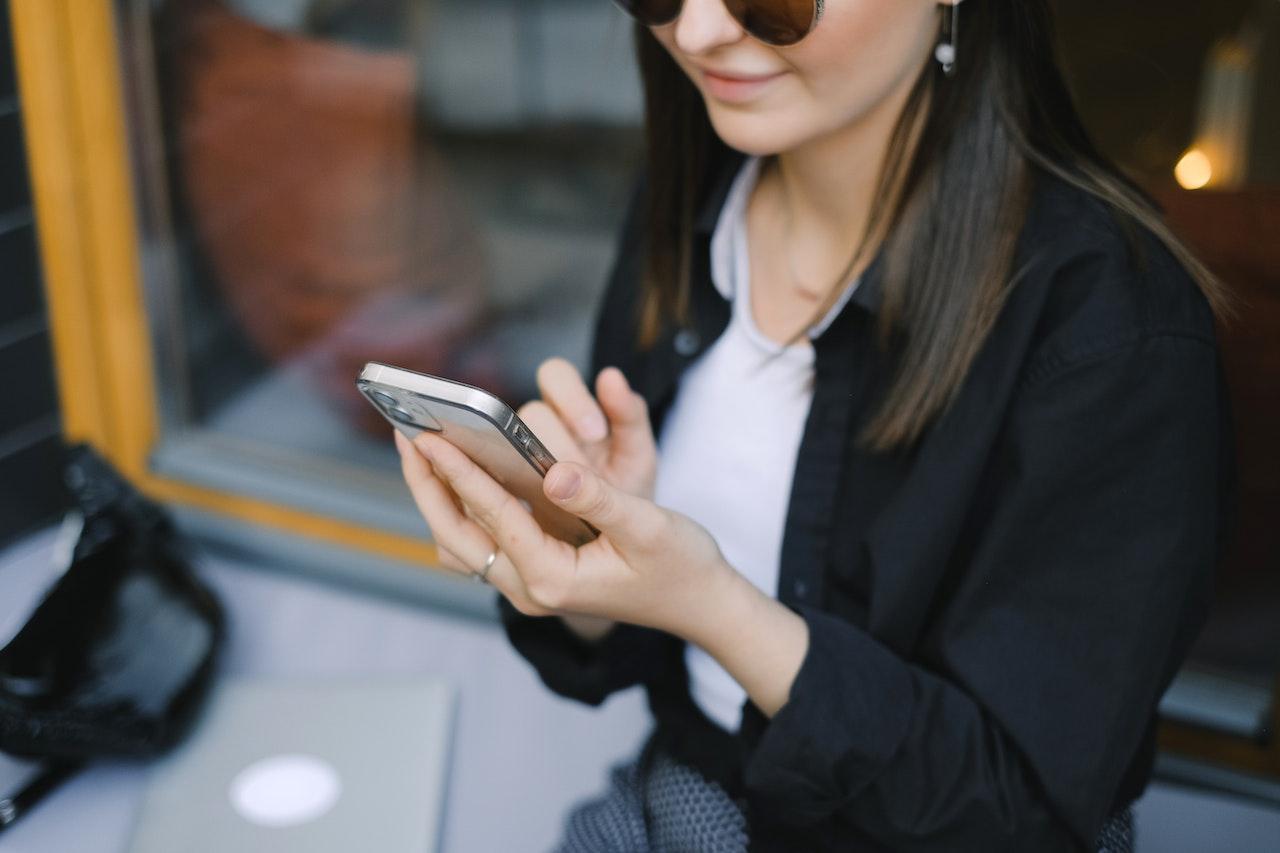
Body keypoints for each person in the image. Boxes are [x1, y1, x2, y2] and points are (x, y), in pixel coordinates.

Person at [395, 1, 1238, 850]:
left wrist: (713, 605)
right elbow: (640, 667)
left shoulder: (1109, 327)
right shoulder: (695, 197)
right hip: (688, 800)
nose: (695, 33)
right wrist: (577, 560)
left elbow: (1021, 809)